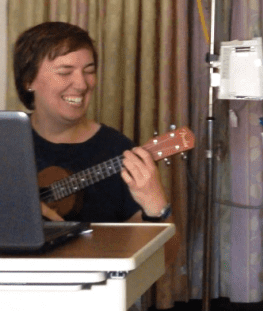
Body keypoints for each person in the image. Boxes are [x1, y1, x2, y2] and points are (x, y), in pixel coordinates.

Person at [13, 21, 172, 224]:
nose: (81, 85)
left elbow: (167, 246)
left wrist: (156, 205)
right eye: (65, 72)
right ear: (29, 80)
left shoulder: (117, 149)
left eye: (89, 71)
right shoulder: (4, 142)